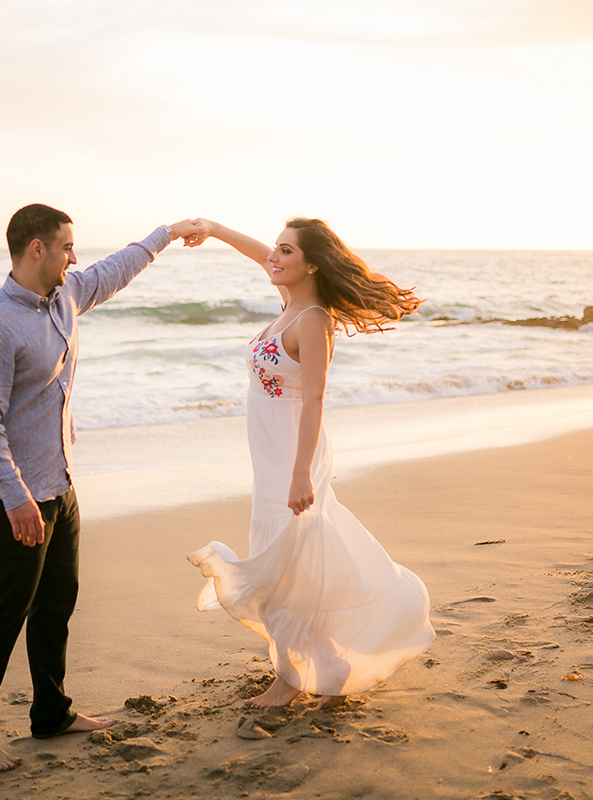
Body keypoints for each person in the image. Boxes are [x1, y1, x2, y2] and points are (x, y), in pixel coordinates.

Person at [0, 204, 210, 771]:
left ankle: (51, 714)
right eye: (67, 246)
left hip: (59, 483)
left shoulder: (64, 297)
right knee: (5, 610)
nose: (76, 257)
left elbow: (118, 268)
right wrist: (16, 495)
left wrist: (166, 234)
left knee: (55, 604)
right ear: (36, 249)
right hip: (8, 496)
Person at [186, 217, 436, 709]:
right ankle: (331, 667)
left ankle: (289, 678)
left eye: (286, 251)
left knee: (285, 565)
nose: (273, 258)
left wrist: (301, 474)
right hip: (271, 455)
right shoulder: (289, 304)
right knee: (297, 560)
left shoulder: (312, 320)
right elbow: (260, 253)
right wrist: (213, 230)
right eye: (275, 249)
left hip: (293, 457)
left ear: (312, 264)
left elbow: (315, 401)